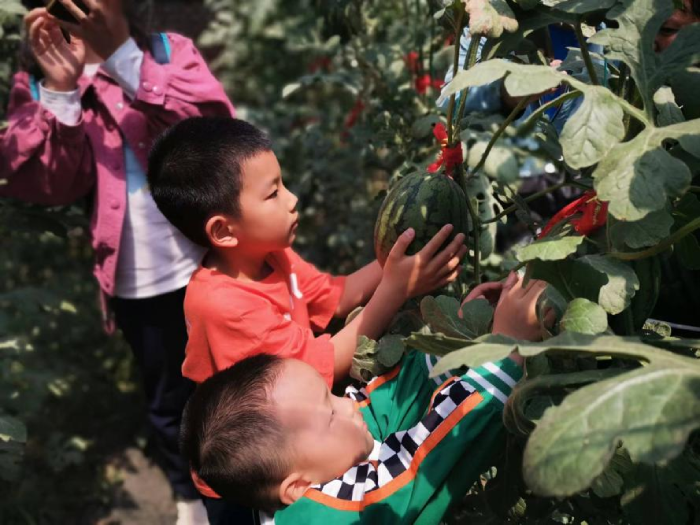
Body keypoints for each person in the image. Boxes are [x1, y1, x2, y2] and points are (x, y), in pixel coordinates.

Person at [0, 1, 235, 522]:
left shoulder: (169, 55)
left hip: (215, 263)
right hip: (139, 283)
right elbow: (54, 183)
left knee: (237, 380)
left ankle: (255, 484)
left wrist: (123, 58)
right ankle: (190, 499)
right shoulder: (42, 86)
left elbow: (215, 134)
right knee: (169, 400)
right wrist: (60, 90)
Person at [179, 273, 547, 524]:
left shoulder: (322, 456)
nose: (347, 404)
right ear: (297, 487)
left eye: (329, 396)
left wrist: (462, 342)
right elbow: (422, 465)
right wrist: (505, 351)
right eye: (330, 414)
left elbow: (384, 404)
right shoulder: (326, 517)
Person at [147, 116, 467, 389]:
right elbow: (320, 367)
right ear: (223, 231)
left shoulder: (270, 255)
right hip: (270, 451)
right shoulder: (224, 307)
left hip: (298, 414)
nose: (293, 199)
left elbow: (340, 296)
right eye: (273, 193)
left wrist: (402, 256)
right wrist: (396, 289)